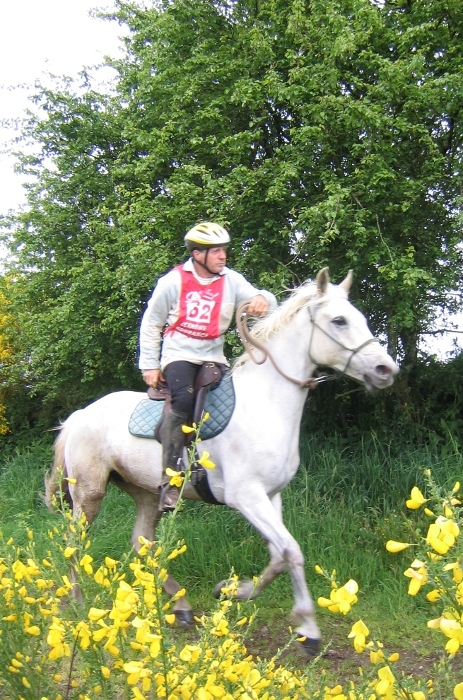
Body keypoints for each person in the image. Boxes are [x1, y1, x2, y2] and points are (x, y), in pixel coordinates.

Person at [139, 222, 277, 511]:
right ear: (197, 254)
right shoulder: (172, 282)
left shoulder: (232, 280)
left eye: (224, 250)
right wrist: (149, 365)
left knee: (234, 400)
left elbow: (263, 300)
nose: (223, 256)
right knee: (184, 398)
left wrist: (262, 298)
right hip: (179, 355)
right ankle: (171, 480)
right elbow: (151, 323)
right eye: (216, 251)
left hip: (214, 358)